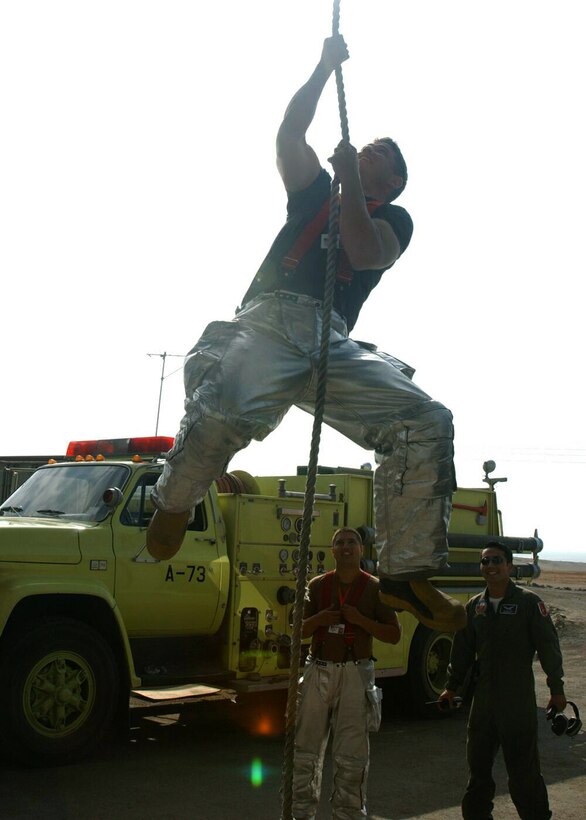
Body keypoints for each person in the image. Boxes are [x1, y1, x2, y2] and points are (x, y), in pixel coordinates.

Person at [146, 34, 464, 632]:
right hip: (271, 317)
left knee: (425, 420)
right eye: (363, 149)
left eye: (374, 156)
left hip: (330, 337)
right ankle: (175, 498)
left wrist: (350, 185)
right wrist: (322, 69)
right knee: (222, 410)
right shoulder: (314, 191)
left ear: (389, 183)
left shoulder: (392, 218)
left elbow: (365, 252)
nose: (363, 152)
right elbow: (290, 135)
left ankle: (403, 573)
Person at [440, 542, 567, 820]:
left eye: (497, 560)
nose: (490, 566)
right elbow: (461, 651)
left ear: (509, 566)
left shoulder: (529, 603)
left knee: (524, 774)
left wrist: (556, 689)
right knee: (478, 775)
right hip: (483, 705)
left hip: (517, 702)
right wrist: (451, 686)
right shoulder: (475, 606)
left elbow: (548, 647)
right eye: (485, 562)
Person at [292, 527, 401, 819]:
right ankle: (300, 813)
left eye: (352, 542)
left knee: (352, 758)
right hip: (319, 671)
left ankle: (348, 815)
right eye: (339, 542)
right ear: (332, 550)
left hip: (356, 674)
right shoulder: (317, 586)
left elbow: (394, 634)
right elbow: (297, 631)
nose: (346, 547)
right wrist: (319, 619)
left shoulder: (376, 588)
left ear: (361, 549)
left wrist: (360, 620)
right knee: (304, 752)